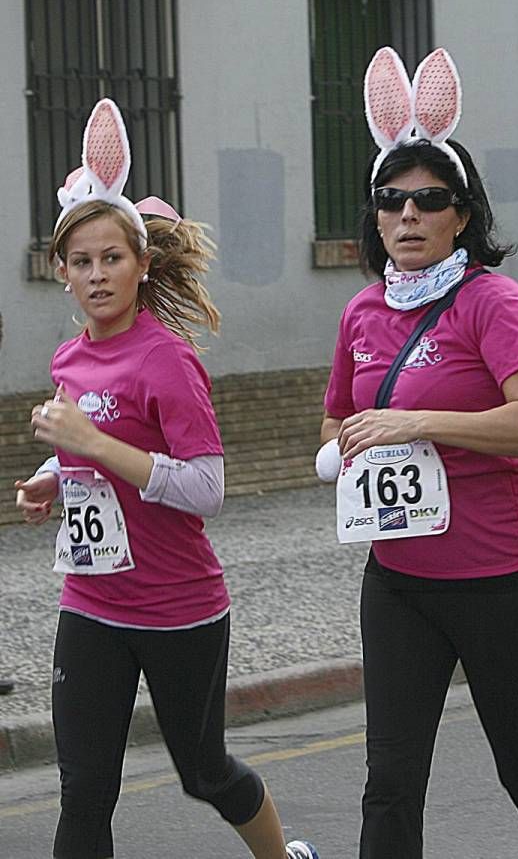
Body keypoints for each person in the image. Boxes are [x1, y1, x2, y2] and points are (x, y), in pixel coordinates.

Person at [15, 98, 318, 859]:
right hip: (91, 601)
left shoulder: (167, 359)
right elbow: (89, 447)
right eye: (80, 262)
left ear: (141, 262)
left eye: (111, 258)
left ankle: (283, 856)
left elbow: (206, 487)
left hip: (177, 609)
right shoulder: (68, 359)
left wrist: (92, 444)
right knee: (84, 791)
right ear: (62, 272)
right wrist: (55, 472)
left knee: (205, 771)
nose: (97, 275)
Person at [317, 47, 518, 858]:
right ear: (373, 215)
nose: (408, 215)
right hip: (401, 581)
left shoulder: (493, 302)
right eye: (391, 199)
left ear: (462, 214)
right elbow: (338, 420)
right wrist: (341, 452)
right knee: (391, 780)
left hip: (504, 578)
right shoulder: (362, 314)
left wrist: (418, 422)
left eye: (429, 199)